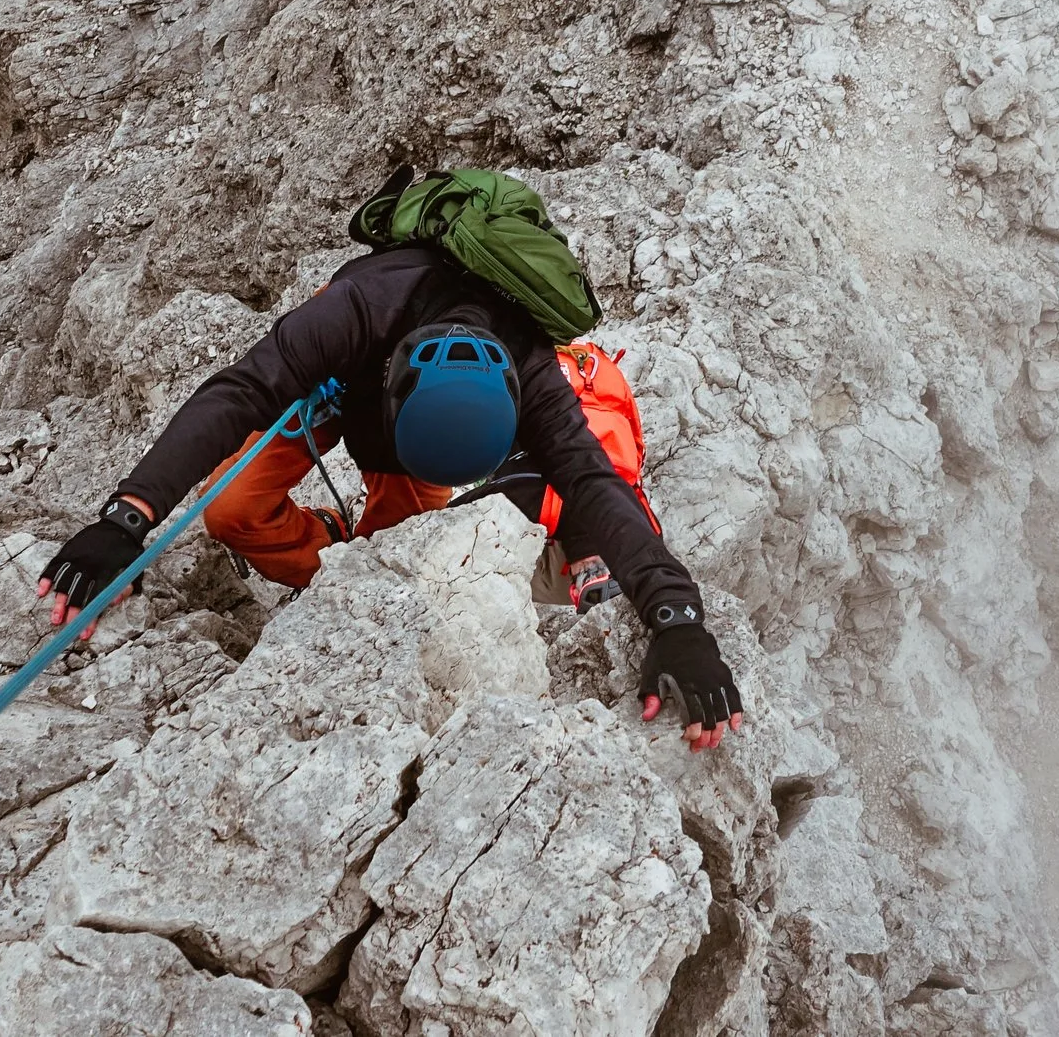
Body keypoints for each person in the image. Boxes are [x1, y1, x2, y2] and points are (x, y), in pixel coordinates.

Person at [37, 175, 745, 750]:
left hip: (418, 433)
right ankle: (339, 531)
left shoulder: (532, 369)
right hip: (339, 383)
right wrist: (128, 517)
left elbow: (595, 482)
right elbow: (241, 392)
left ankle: (350, 551)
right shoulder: (352, 310)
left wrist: (677, 619)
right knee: (231, 512)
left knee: (396, 571)